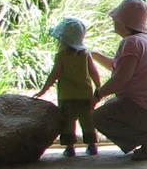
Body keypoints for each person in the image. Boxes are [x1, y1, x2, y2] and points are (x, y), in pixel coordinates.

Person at [90, 0, 147, 161]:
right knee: (112, 106)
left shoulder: (131, 43)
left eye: (116, 18)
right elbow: (119, 67)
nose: (113, 21)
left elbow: (120, 80)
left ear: (124, 22)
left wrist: (97, 94)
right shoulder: (146, 40)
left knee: (99, 117)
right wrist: (94, 55)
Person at [34, 17, 101, 157]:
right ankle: (92, 145)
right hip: (85, 95)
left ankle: (70, 147)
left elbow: (54, 75)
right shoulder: (85, 55)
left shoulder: (61, 56)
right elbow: (94, 73)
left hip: (67, 95)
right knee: (87, 121)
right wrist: (98, 89)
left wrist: (43, 90)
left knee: (68, 122)